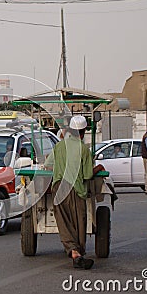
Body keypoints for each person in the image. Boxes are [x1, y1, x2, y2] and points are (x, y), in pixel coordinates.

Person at [44, 115, 103, 270]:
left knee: (63, 222)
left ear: (70, 130)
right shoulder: (84, 149)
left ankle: (73, 250)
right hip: (76, 189)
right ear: (83, 132)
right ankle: (77, 252)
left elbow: (48, 165)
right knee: (79, 222)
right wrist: (99, 167)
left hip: (58, 188)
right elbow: (87, 175)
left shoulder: (58, 146)